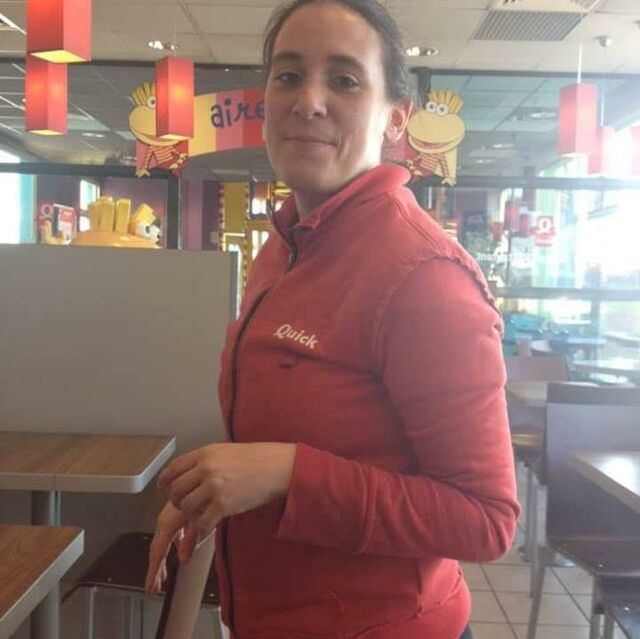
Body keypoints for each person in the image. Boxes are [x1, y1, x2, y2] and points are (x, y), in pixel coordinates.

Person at [145, 1, 520, 637]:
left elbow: (486, 519)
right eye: (288, 76)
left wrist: (287, 473)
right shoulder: (286, 244)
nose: (308, 102)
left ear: (395, 118)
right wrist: (214, 489)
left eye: (344, 80)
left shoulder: (424, 276)